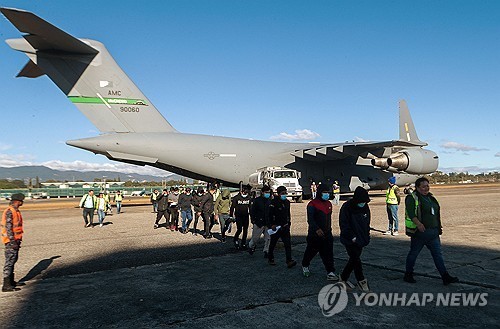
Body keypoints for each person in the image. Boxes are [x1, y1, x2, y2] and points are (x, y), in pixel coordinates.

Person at [404, 177, 459, 285]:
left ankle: (445, 276)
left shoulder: (431, 198)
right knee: (413, 254)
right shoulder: (412, 198)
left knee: (438, 255)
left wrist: (438, 227)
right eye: (423, 186)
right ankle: (408, 274)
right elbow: (411, 213)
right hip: (420, 234)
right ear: (417, 187)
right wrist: (418, 224)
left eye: (427, 186)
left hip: (433, 233)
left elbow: (436, 213)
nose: (426, 188)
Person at [302, 184, 337, 281]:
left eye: (327, 192)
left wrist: (328, 230)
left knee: (328, 253)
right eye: (324, 192)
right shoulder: (312, 204)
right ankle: (305, 265)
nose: (326, 194)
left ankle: (330, 272)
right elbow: (310, 219)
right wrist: (317, 229)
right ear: (319, 193)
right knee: (311, 251)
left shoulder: (329, 204)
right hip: (315, 234)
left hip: (327, 233)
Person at [339, 186, 371, 292]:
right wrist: (352, 237)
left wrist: (367, 236)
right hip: (349, 239)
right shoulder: (347, 207)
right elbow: (344, 224)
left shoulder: (365, 207)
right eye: (361, 202)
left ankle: (342, 279)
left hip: (361, 239)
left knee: (353, 260)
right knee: (356, 260)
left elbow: (367, 223)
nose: (363, 204)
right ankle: (362, 283)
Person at [267, 186, 297, 268]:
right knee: (273, 243)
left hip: (285, 226)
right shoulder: (273, 202)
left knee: (287, 244)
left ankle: (289, 260)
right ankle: (270, 258)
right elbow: (269, 215)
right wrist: (271, 225)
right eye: (282, 193)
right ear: (278, 194)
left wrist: (289, 223)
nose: (284, 195)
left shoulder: (287, 202)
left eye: (285, 193)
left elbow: (288, 214)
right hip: (276, 227)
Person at [1, 193, 25, 292]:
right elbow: (8, 228)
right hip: (11, 241)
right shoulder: (10, 212)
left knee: (13, 260)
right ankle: (6, 285)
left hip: (16, 240)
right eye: (21, 200)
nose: (22, 202)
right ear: (17, 201)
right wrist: (12, 241)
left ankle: (11, 281)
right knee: (9, 262)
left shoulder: (16, 211)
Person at [248, 186, 272, 257]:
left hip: (268, 223)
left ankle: (266, 251)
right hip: (259, 222)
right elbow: (252, 211)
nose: (267, 194)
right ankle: (251, 246)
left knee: (268, 238)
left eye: (268, 192)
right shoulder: (257, 200)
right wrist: (253, 220)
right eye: (266, 192)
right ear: (262, 192)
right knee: (255, 238)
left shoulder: (270, 201)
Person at [230, 185, 252, 249]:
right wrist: (231, 216)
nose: (245, 194)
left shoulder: (249, 198)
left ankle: (243, 243)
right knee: (239, 229)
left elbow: (250, 208)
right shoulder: (236, 198)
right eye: (244, 192)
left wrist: (252, 217)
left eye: (246, 193)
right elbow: (232, 207)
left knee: (245, 230)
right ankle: (235, 239)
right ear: (242, 192)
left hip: (246, 216)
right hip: (238, 216)